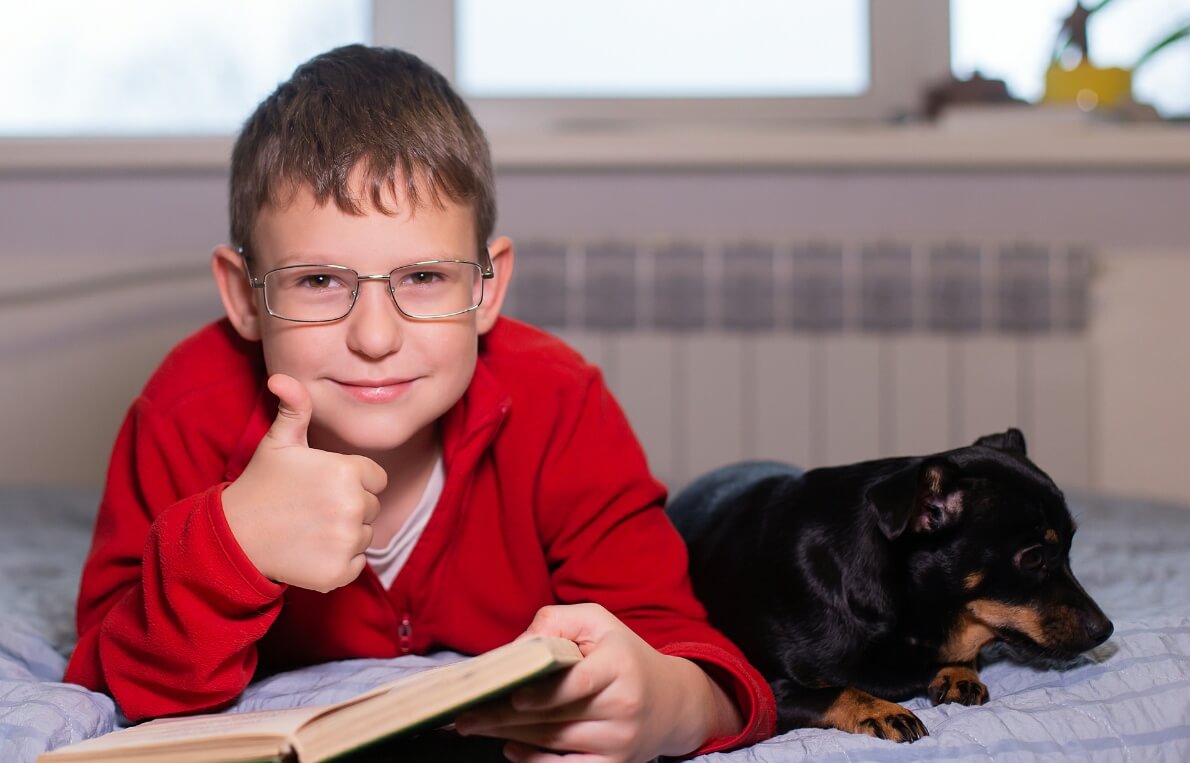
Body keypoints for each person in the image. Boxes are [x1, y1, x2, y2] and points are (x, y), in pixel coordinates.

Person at [64, 44, 775, 761]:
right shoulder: (184, 413)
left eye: (425, 276)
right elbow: (106, 673)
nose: (375, 336)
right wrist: (231, 545)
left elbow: (692, 653)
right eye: (317, 281)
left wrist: (668, 704)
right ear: (246, 297)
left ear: (487, 288)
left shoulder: (560, 404)